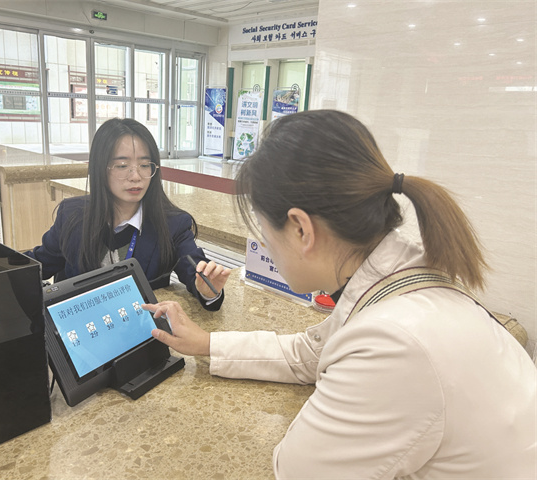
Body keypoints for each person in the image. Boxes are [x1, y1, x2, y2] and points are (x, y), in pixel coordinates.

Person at [143, 110, 536, 478]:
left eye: (263, 227)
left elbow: (298, 469)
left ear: (301, 229)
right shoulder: (400, 277)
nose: (264, 242)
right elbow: (310, 354)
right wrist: (207, 343)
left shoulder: (395, 343)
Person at [26, 118, 229, 311]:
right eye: (122, 166)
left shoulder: (172, 224)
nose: (136, 176)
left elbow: (195, 270)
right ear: (100, 169)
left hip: (137, 326)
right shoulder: (72, 215)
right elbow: (40, 265)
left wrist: (208, 290)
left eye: (144, 165)